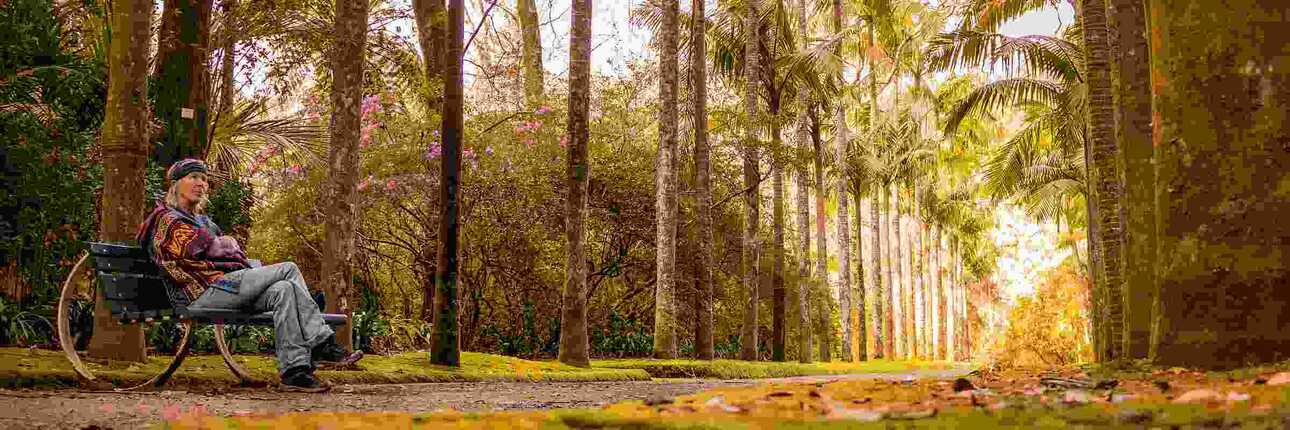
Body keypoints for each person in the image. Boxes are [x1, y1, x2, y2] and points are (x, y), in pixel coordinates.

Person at [136, 159, 362, 392]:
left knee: (285, 290)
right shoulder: (165, 218)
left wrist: (223, 246)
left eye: (204, 179)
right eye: (193, 177)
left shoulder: (205, 223)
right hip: (198, 292)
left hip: (226, 287)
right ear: (175, 184)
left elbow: (229, 253)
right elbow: (202, 248)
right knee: (289, 268)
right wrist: (221, 244)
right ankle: (322, 343)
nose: (201, 183)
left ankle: (295, 372)